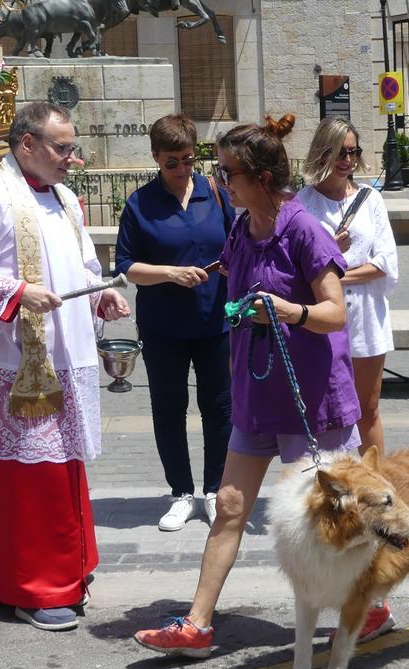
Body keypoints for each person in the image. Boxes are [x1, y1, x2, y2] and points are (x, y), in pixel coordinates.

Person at [132, 114, 362, 657]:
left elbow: (334, 313)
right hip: (257, 395)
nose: (218, 179)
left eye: (227, 170)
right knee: (230, 507)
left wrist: (287, 310)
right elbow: (231, 278)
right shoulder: (242, 228)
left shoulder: (303, 229)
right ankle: (197, 625)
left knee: (328, 517)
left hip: (311, 401)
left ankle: (367, 605)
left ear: (259, 176)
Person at [0, 101, 130, 631]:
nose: (72, 159)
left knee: (60, 471)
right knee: (26, 479)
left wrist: (98, 298)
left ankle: (66, 569)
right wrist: (15, 292)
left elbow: (80, 264)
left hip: (65, 354)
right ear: (27, 145)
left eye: (72, 148)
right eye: (63, 148)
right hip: (11, 362)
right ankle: (36, 588)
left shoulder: (64, 198)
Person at [296, 117, 399, 641]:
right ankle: (337, 491)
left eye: (354, 152)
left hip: (366, 319)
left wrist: (332, 264)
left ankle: (379, 489)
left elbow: (384, 262)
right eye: (340, 151)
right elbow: (298, 263)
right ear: (323, 152)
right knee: (328, 410)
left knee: (369, 407)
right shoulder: (304, 203)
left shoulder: (372, 200)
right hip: (326, 319)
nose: (348, 161)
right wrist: (333, 267)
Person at [115, 113, 235, 532]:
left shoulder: (216, 195)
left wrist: (230, 268)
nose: (182, 170)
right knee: (169, 409)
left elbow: (238, 244)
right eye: (172, 163)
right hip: (163, 325)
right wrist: (170, 272)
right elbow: (126, 267)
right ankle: (181, 493)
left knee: (219, 408)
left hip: (215, 321)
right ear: (155, 158)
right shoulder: (140, 203)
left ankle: (215, 490)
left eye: (188, 160)